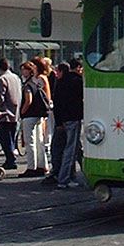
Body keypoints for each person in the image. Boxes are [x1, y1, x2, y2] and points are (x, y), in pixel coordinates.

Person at [47, 60, 84, 189]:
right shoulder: (78, 81)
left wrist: (58, 122)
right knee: (71, 149)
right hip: (74, 118)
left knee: (70, 148)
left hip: (62, 120)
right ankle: (64, 179)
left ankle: (70, 175)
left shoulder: (60, 83)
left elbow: (56, 102)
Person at [19, 61, 48, 178]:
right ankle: (42, 165)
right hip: (38, 115)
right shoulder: (36, 83)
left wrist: (22, 111)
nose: (22, 72)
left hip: (29, 116)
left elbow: (28, 100)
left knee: (29, 142)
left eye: (24, 70)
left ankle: (31, 167)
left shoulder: (28, 85)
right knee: (39, 141)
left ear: (29, 71)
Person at [0, 59, 21, 170]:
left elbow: (0, 97)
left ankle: (10, 160)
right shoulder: (16, 78)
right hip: (16, 112)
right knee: (12, 137)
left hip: (5, 113)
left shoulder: (2, 79)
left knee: (5, 138)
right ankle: (12, 157)